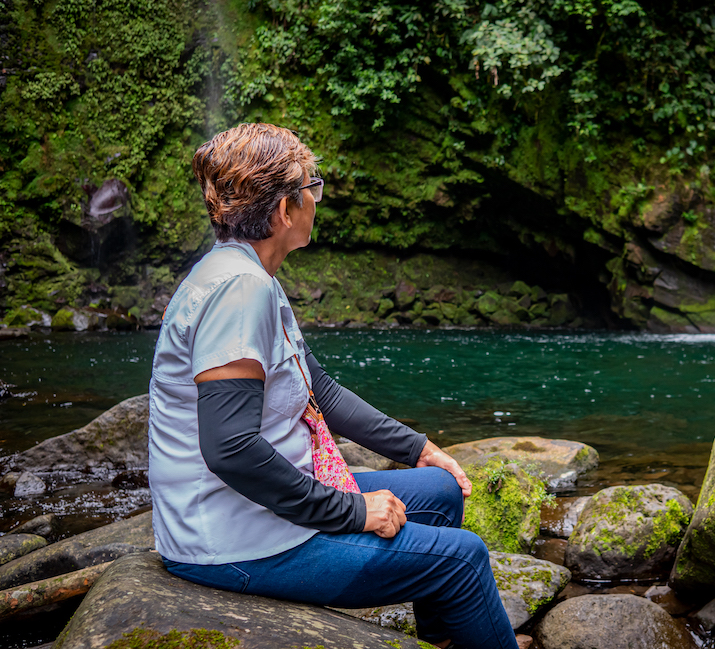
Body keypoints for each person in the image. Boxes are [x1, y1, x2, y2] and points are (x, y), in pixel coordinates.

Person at [147, 123, 518, 649]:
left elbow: (318, 389)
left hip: (261, 507)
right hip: (234, 538)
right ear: (283, 210)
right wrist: (354, 512)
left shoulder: (250, 276)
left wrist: (416, 448)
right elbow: (230, 449)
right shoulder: (239, 291)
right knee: (463, 559)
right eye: (311, 186)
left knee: (439, 491)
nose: (317, 198)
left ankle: (447, 637)